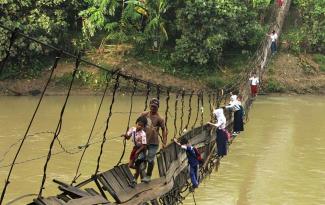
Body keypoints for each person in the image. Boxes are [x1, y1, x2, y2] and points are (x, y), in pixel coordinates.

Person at [140, 98, 167, 183]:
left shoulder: (160, 118)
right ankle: (143, 168)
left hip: (153, 143)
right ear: (149, 106)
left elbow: (164, 130)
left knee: (150, 159)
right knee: (140, 159)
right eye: (152, 106)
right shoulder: (144, 114)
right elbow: (138, 124)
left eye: (155, 107)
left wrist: (164, 142)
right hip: (143, 141)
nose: (153, 108)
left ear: (158, 107)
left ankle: (148, 175)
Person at [122, 116, 148, 184]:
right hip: (135, 148)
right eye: (138, 124)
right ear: (136, 123)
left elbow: (144, 145)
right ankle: (139, 170)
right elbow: (128, 137)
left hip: (142, 150)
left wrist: (137, 152)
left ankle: (135, 179)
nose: (139, 126)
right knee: (130, 165)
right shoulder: (132, 129)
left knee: (137, 162)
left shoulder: (143, 134)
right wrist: (125, 135)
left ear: (143, 127)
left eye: (141, 126)